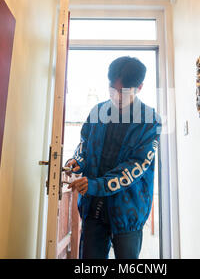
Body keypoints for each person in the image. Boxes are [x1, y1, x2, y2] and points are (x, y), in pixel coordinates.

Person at [65, 56, 161, 259]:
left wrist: (96, 184)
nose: (116, 96)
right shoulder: (98, 111)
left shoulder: (150, 121)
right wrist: (77, 162)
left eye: (123, 92)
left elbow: (136, 166)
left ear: (140, 87)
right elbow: (84, 144)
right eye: (112, 90)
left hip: (128, 211)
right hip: (93, 208)